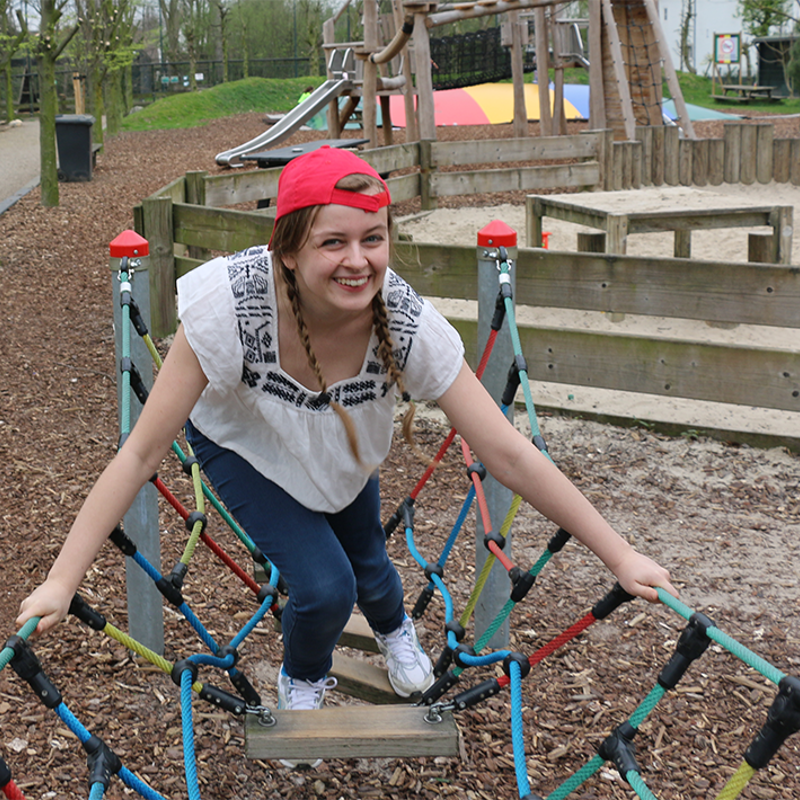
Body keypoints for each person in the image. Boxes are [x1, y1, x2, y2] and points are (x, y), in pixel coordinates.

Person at [17, 147, 677, 766]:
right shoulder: (230, 307)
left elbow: (507, 451)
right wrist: (63, 578)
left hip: (343, 440)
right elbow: (139, 456)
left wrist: (618, 554)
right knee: (326, 586)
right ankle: (302, 676)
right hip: (245, 444)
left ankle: (394, 633)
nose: (357, 260)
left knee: (368, 556)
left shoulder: (403, 320)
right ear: (286, 249)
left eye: (373, 239)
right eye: (332, 242)